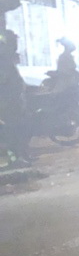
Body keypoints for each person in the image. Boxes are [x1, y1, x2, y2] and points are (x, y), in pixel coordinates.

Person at [0, 32, 33, 167]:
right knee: (12, 131)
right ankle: (14, 158)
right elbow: (4, 82)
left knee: (21, 129)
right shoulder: (3, 62)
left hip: (16, 102)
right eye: (13, 42)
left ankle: (22, 155)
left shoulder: (8, 60)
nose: (15, 46)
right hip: (9, 103)